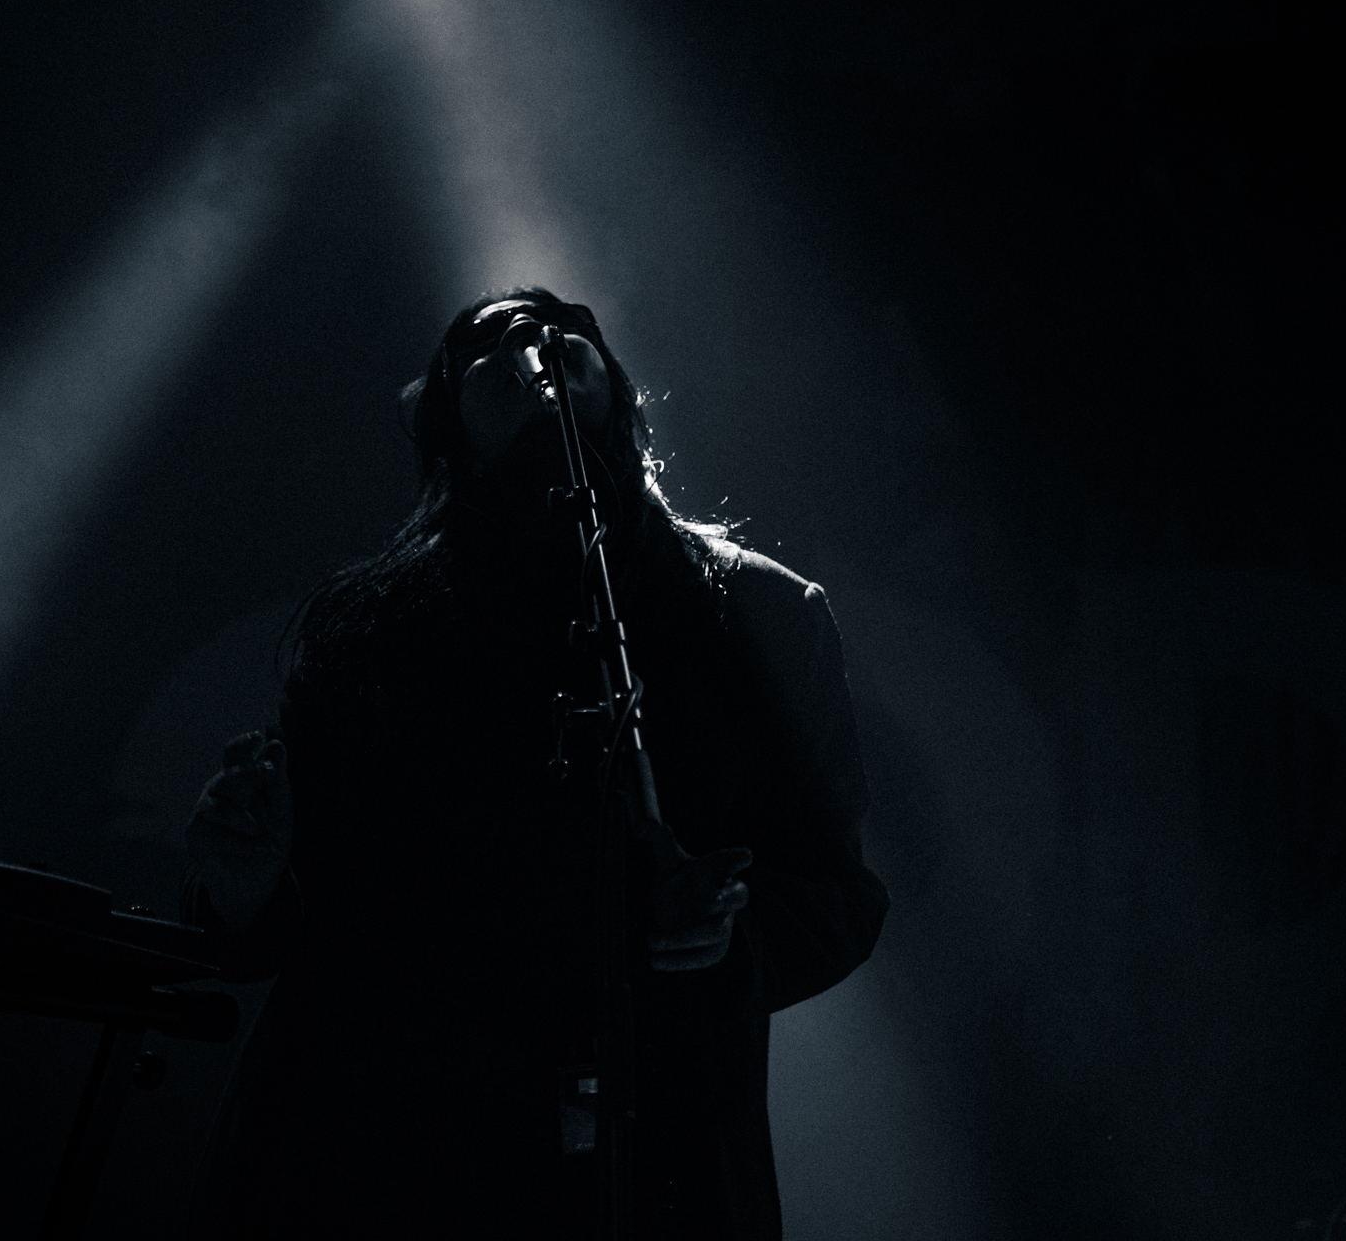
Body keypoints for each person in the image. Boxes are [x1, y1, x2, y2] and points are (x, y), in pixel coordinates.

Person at [180, 288, 888, 1238]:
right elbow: (300, 911)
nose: (530, 338)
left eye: (562, 329)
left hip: (650, 1151)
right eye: (488, 341)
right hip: (377, 1147)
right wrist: (248, 888)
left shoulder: (762, 615)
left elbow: (836, 891)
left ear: (616, 388)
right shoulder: (369, 632)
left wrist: (726, 939)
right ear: (448, 425)